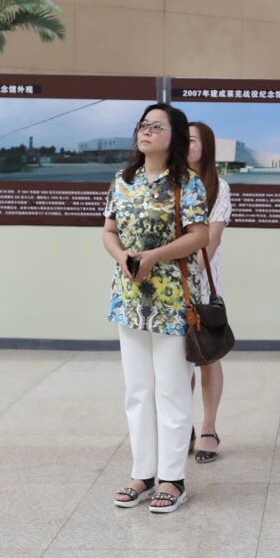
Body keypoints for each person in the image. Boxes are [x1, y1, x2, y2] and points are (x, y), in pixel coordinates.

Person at [102, 103, 210, 514]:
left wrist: (153, 256)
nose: (146, 131)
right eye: (143, 125)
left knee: (171, 389)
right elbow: (109, 231)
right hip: (129, 298)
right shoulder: (123, 180)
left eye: (156, 126)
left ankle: (172, 479)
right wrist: (122, 257)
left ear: (174, 136)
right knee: (137, 390)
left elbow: (199, 236)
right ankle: (143, 474)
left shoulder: (187, 183)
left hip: (171, 299)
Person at [187, 121, 230, 464]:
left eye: (191, 141)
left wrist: (187, 281)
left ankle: (209, 429)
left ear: (206, 147)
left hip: (199, 286)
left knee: (206, 356)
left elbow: (211, 241)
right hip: (166, 287)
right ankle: (180, 426)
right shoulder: (169, 184)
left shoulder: (218, 188)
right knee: (175, 363)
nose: (185, 146)